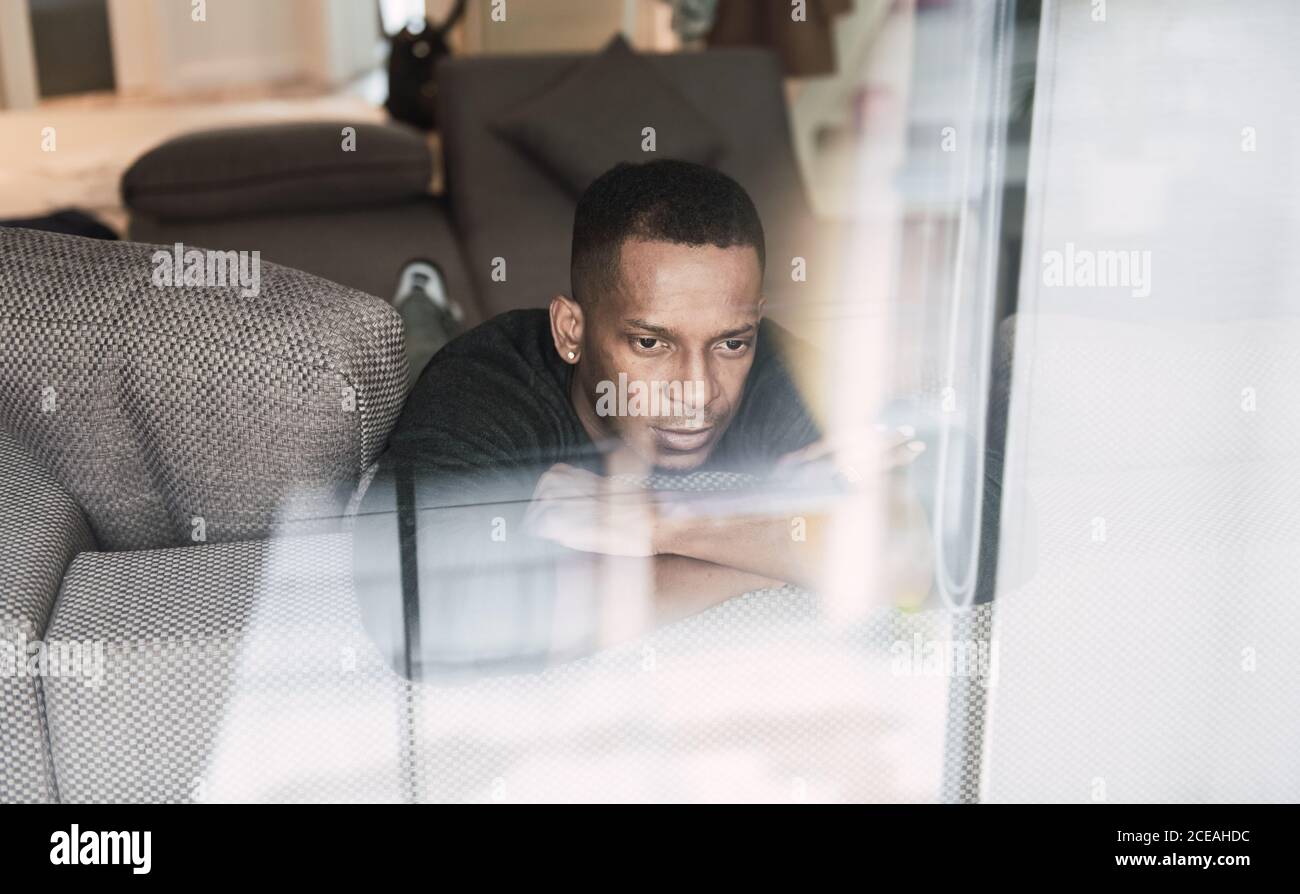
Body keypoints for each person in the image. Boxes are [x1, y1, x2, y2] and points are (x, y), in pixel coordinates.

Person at [353, 159, 923, 678]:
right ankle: (425, 304)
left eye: (731, 343)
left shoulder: (772, 365)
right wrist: (791, 555)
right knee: (420, 345)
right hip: (449, 365)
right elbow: (422, 615)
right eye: (651, 343)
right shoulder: (486, 381)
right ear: (571, 331)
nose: (697, 393)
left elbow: (948, 532)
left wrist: (668, 524)